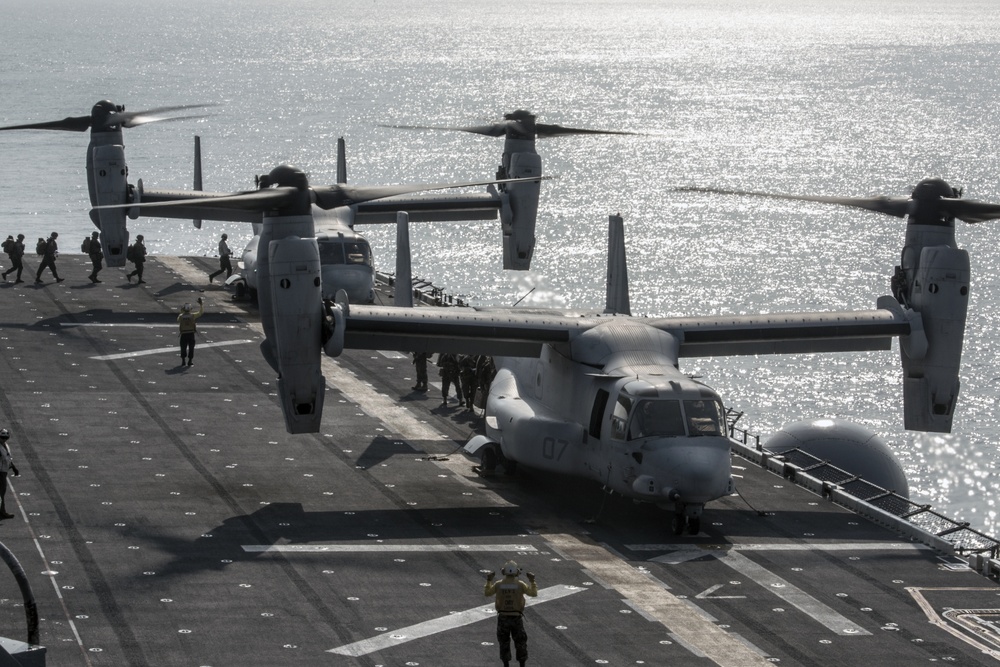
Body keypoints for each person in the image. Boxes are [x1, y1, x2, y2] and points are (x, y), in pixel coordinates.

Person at [484, 560, 537, 667]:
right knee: (520, 643)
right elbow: (533, 593)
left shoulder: (499, 584)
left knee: (504, 642)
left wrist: (489, 580)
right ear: (517, 572)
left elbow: (487, 593)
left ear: (504, 572)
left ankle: (506, 664)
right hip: (516, 618)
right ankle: (522, 664)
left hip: (503, 617)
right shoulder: (520, 584)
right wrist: (532, 581)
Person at [0, 428, 20, 520]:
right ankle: (2, 512)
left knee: (2, 492)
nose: (4, 439)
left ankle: (2, 511)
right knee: (1, 492)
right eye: (2, 437)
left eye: (5, 438)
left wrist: (13, 467)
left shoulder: (6, 446)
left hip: (4, 471)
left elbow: (8, 457)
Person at [178, 297, 205, 367]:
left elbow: (178, 320)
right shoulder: (193, 315)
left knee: (183, 347)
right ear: (190, 309)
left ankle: (183, 361)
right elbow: (200, 313)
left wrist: (182, 311)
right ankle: (190, 361)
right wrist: (201, 305)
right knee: (191, 348)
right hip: (191, 334)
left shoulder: (181, 316)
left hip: (183, 334)